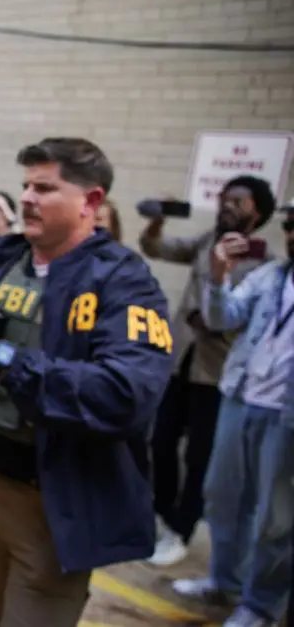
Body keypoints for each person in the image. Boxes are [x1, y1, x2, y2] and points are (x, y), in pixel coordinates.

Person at [0, 137, 174, 627]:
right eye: (26, 186)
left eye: (45, 188)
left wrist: (1, 359)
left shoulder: (121, 279)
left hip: (55, 494)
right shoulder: (8, 259)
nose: (27, 198)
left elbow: (127, 394)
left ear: (91, 201)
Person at [140, 175, 275, 567]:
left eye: (238, 201)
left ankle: (182, 530)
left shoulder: (263, 264)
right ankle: (163, 514)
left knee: (200, 456)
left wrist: (218, 325)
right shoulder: (206, 242)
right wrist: (157, 220)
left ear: (257, 213)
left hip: (217, 372)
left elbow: (251, 319)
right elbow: (155, 247)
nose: (227, 205)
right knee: (161, 442)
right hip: (179, 361)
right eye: (225, 198)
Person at [172, 197, 293, 627]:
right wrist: (219, 276)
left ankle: (260, 605)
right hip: (241, 396)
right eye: (290, 225)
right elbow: (223, 318)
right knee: (222, 496)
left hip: (285, 414)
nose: (292, 234)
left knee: (275, 517)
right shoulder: (270, 275)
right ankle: (225, 582)